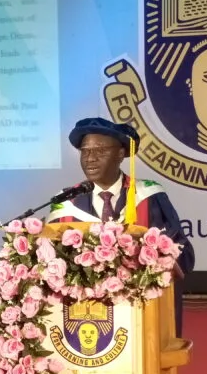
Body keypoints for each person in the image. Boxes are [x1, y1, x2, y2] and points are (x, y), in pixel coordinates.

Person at [47, 117, 194, 336]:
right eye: (85, 151)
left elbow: (181, 253)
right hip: (82, 322)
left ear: (120, 153)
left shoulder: (149, 196)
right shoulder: (67, 202)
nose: (90, 158)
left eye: (100, 150)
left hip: (140, 319)